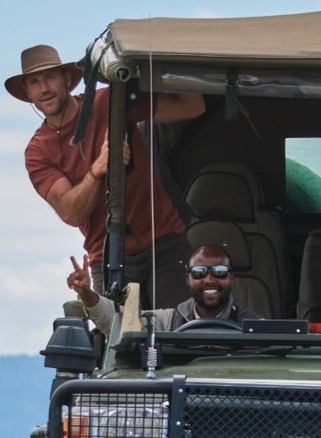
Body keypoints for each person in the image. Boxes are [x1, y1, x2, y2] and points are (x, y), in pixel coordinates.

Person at [6, 44, 206, 310]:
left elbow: (192, 107)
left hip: (165, 241)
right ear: (28, 93)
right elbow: (71, 213)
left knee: (176, 333)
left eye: (50, 77)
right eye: (35, 82)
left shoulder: (110, 101)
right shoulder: (38, 151)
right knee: (118, 342)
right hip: (108, 255)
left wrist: (163, 64)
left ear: (66, 79)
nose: (44, 88)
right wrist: (98, 169)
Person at [67, 244, 259, 334]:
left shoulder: (255, 326)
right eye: (200, 272)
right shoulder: (169, 321)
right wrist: (87, 293)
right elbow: (120, 323)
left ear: (231, 277)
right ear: (188, 278)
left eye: (219, 272)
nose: (209, 280)